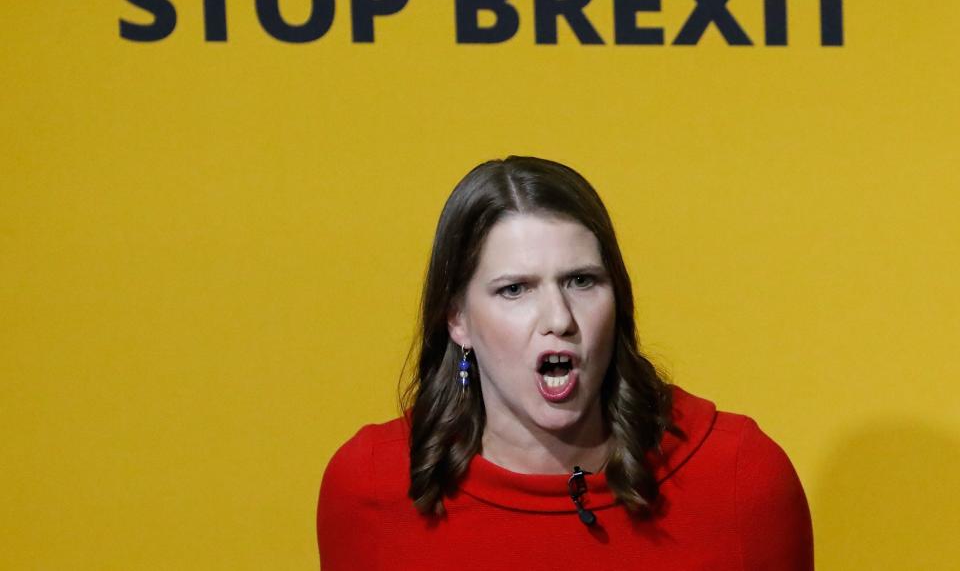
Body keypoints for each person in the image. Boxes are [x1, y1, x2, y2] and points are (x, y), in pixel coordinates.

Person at [317, 156, 814, 569]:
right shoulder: (370, 487)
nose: (559, 318)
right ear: (457, 320)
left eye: (581, 281)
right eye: (515, 289)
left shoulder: (739, 477)